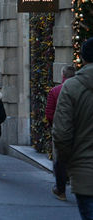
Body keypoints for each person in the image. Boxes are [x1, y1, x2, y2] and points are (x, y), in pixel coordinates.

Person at [53, 38, 93, 219]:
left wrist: (67, 165)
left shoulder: (71, 87)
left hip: (86, 173)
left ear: (83, 59)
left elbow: (62, 135)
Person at [46, 65, 76, 201]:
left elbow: (49, 113)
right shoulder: (81, 90)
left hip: (62, 131)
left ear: (63, 75)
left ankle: (61, 190)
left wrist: (56, 126)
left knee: (60, 161)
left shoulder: (55, 90)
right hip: (80, 131)